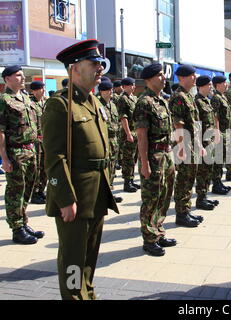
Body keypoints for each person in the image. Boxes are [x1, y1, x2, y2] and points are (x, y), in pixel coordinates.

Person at [42, 39, 119, 299]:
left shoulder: (93, 103)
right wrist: (65, 199)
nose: (100, 69)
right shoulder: (60, 105)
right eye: (94, 64)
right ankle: (75, 296)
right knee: (74, 259)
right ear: (74, 68)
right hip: (75, 196)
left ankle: (88, 293)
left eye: (100, 64)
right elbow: (54, 158)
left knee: (89, 255)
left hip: (97, 193)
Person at [133, 63, 177, 257]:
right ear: (149, 79)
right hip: (153, 156)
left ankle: (158, 231)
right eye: (160, 75)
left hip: (166, 155)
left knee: (165, 196)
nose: (163, 78)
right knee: (151, 198)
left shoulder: (161, 101)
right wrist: (144, 164)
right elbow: (141, 136)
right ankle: (149, 239)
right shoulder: (144, 103)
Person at [0, 66, 44, 244]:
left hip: (31, 149)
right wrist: (4, 158)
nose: (22, 77)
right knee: (15, 191)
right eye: (17, 75)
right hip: (15, 151)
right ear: (7, 79)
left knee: (28, 188)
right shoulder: (4, 100)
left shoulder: (26, 98)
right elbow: (0, 131)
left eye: (22, 74)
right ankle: (17, 229)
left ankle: (23, 222)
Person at [170, 65, 205, 227]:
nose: (195, 78)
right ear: (182, 77)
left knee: (190, 178)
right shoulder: (178, 97)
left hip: (192, 144)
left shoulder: (188, 96)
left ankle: (186, 210)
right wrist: (183, 148)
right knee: (183, 180)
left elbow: (194, 123)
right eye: (192, 76)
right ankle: (181, 214)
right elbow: (178, 124)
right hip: (184, 145)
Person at [194, 75, 220, 211]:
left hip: (210, 141)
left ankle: (204, 195)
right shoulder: (197, 102)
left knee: (208, 170)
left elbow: (213, 119)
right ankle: (200, 198)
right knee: (202, 172)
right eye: (209, 85)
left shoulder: (207, 101)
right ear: (201, 86)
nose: (211, 87)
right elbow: (196, 125)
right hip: (203, 142)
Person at [97, 81, 123, 204]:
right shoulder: (97, 105)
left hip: (114, 140)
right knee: (105, 167)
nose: (111, 92)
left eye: (111, 90)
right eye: (108, 90)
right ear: (102, 91)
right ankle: (102, 194)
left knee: (112, 167)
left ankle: (110, 192)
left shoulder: (112, 105)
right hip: (104, 140)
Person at [210, 76, 231, 195]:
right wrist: (217, 132)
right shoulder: (216, 98)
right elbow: (215, 116)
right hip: (220, 132)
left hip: (225, 131)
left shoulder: (222, 96)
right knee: (218, 159)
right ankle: (216, 183)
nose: (226, 84)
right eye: (224, 83)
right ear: (218, 85)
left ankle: (219, 182)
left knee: (221, 158)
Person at [117, 77, 140, 193]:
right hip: (128, 133)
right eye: (131, 85)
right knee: (128, 158)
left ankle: (131, 180)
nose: (134, 87)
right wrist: (128, 133)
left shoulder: (134, 98)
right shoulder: (123, 99)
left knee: (134, 157)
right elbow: (123, 118)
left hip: (136, 132)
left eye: (134, 84)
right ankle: (127, 182)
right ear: (124, 87)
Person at [29, 81, 47, 205]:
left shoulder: (45, 102)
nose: (43, 91)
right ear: (34, 91)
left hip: (45, 140)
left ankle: (41, 190)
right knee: (36, 168)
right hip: (36, 141)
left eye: (43, 88)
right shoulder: (30, 104)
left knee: (45, 167)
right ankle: (34, 193)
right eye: (40, 89)